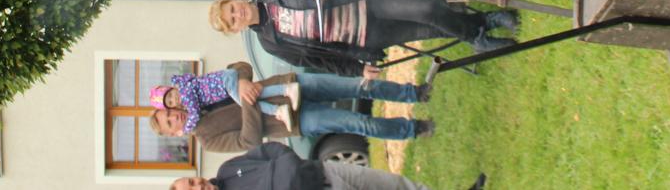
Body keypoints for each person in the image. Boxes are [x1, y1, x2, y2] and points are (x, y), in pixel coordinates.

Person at [210, 0, 523, 74]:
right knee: (428, 29)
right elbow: (317, 61)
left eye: (233, 9)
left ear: (236, 0)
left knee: (426, 9)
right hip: (365, 37)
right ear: (236, 29)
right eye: (233, 21)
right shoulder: (271, 43)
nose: (238, 15)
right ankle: (483, 24)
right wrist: (356, 70)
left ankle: (479, 35)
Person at [154, 66, 435, 146]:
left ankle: (414, 93)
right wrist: (247, 99)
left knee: (358, 86)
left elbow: (239, 67)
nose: (174, 115)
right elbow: (249, 141)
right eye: (170, 122)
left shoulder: (196, 91)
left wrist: (240, 81)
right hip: (291, 121)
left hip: (290, 85)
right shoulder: (206, 139)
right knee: (358, 123)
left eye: (170, 113)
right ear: (174, 133)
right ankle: (413, 129)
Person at [168, 142, 488, 190]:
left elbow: (269, 149)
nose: (199, 186)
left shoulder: (227, 170)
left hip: (325, 170)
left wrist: (290, 162)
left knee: (396, 185)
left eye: (192, 182)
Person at [151, 66, 301, 134]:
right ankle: (285, 92)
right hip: (225, 82)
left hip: (225, 82)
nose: (174, 99)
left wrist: (185, 129)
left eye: (170, 95)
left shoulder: (185, 92)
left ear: (171, 88)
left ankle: (279, 108)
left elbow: (195, 114)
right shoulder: (185, 93)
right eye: (170, 103)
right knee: (251, 96)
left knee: (246, 101)